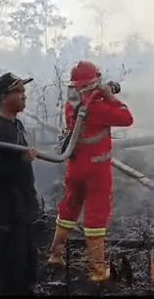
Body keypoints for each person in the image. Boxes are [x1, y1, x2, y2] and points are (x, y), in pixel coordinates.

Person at [47, 61, 133, 283]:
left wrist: (100, 94)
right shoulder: (98, 108)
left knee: (69, 207)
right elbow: (127, 118)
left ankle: (55, 254)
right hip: (97, 169)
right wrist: (111, 98)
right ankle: (97, 269)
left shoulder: (71, 103)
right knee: (96, 214)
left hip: (75, 167)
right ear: (94, 82)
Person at [0, 72, 40, 296]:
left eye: (23, 91)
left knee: (28, 269)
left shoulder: (16, 125)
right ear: (4, 97)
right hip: (6, 213)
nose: (24, 96)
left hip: (22, 208)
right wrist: (20, 161)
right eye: (18, 91)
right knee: (10, 274)